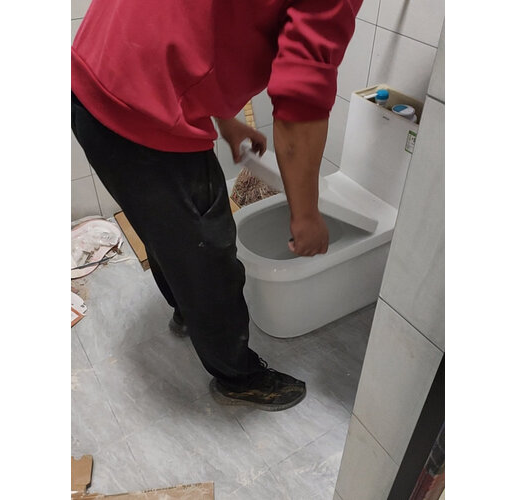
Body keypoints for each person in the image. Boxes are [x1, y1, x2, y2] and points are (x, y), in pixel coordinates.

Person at [71, 0, 362, 411]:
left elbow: (206, 22)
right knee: (209, 255)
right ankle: (237, 377)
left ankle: (188, 311)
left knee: (164, 226)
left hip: (93, 78)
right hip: (142, 109)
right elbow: (301, 104)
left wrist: (226, 122)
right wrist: (306, 215)